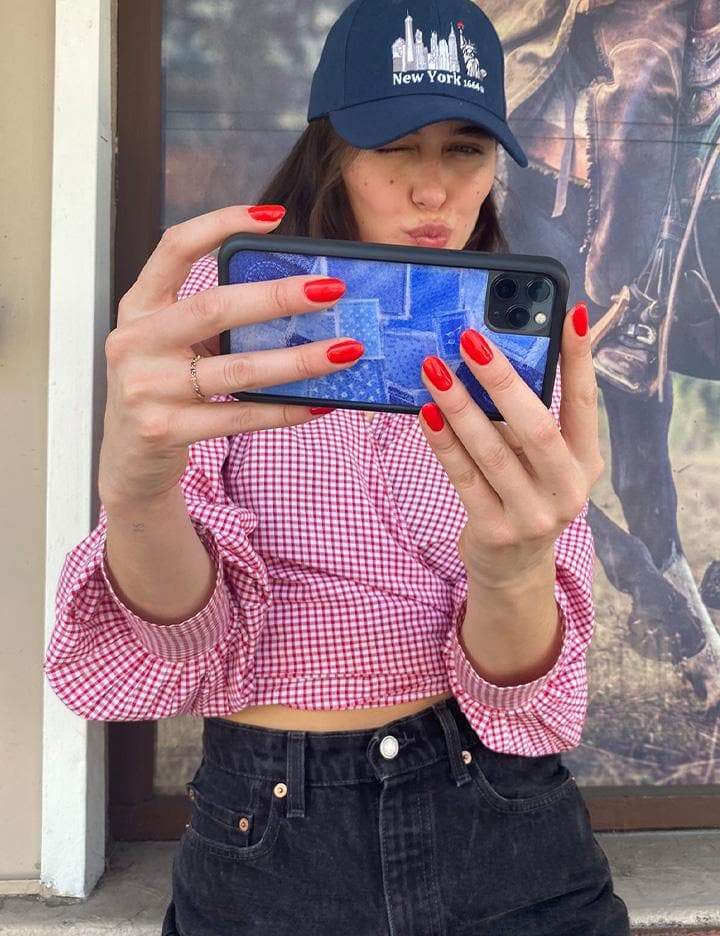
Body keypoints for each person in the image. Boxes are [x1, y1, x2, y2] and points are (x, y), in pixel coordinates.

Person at [43, 0, 631, 932]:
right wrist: (137, 490)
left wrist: (514, 564)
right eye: (395, 147)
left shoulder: (510, 352)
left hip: (504, 821)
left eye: (466, 149)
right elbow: (185, 645)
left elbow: (514, 689)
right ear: (333, 152)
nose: (433, 190)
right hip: (268, 830)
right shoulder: (224, 316)